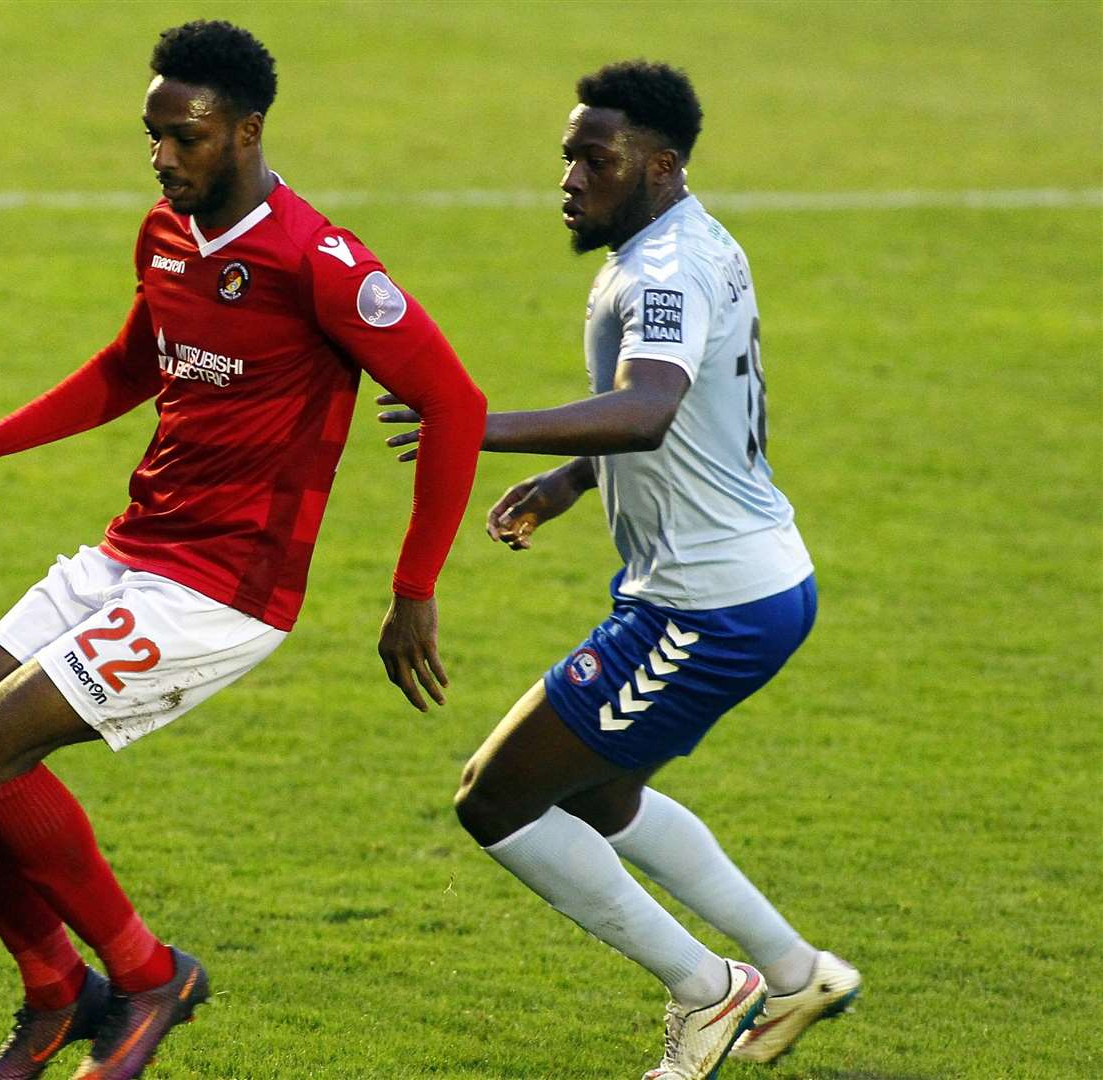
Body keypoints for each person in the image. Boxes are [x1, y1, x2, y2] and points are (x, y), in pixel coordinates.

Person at [0, 21, 486, 1080]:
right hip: (134, 551)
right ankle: (53, 994)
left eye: (186, 136)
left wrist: (414, 590)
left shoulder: (318, 263)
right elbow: (131, 364)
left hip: (225, 587)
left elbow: (454, 402)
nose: (164, 157)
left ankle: (148, 976)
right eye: (153, 136)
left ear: (247, 131)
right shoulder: (165, 237)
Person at [380, 60, 859, 1079]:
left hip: (706, 606)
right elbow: (678, 417)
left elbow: (645, 410)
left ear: (660, 163)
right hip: (745, 580)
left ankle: (707, 991)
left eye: (593, 160)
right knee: (598, 797)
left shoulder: (663, 272)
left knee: (492, 799)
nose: (569, 178)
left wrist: (469, 428)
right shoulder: (682, 243)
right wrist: (566, 483)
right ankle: (791, 971)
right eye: (566, 157)